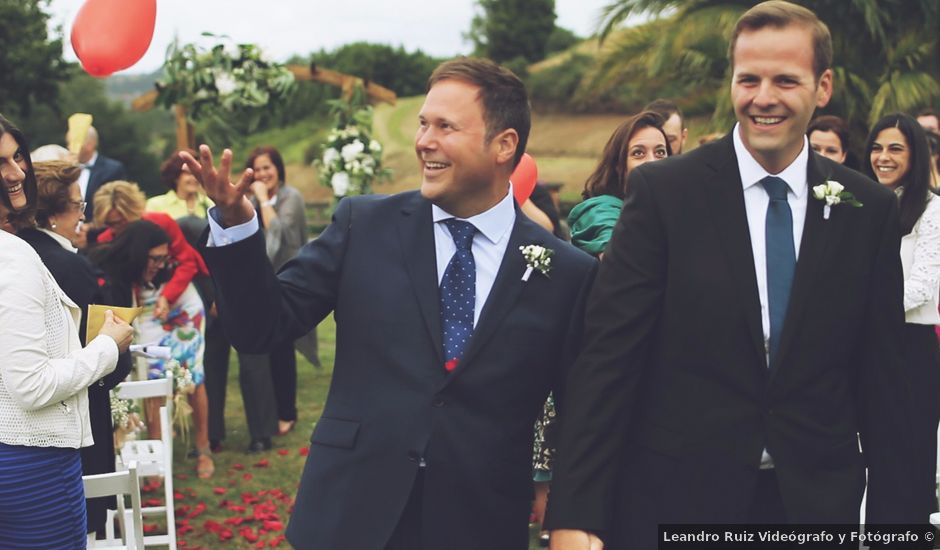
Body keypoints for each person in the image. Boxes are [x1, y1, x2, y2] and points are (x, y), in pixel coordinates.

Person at [183, 57, 596, 550]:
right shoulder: (364, 225)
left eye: (445, 126)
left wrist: (573, 517)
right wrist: (235, 227)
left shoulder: (566, 272)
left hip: (479, 520)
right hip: (351, 515)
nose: (423, 141)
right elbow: (260, 329)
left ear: (504, 144)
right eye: (423, 123)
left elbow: (584, 419)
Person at [546, 3, 917, 549]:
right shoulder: (665, 195)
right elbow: (608, 358)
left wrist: (898, 530)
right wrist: (575, 514)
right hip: (677, 503)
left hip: (813, 508)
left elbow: (887, 383)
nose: (763, 97)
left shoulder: (868, 209)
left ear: (824, 86)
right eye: (749, 79)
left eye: (785, 80)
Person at [0, 114, 133, 547]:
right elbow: (32, 386)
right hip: (32, 461)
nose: (18, 173)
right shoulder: (13, 257)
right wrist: (107, 348)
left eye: (18, 157)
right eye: (1, 163)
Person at [92, 180, 214, 477]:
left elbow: (187, 263)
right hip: (144, 308)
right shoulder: (110, 240)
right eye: (111, 224)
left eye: (122, 221)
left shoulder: (161, 224)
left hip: (180, 303)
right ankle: (159, 459)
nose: (117, 228)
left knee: (192, 377)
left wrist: (167, 295)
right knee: (153, 377)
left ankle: (203, 448)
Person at [863, 113, 940, 523]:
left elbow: (921, 286)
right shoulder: (861, 203)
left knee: (909, 464)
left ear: (916, 154)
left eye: (895, 148)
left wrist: (859, 307)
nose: (883, 157)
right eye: (877, 147)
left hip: (911, 350)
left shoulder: (932, 210)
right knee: (874, 462)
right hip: (866, 348)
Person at [246, 145, 308, 439]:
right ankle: (266, 413)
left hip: (286, 278)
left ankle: (287, 411)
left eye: (267, 168)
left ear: (278, 169)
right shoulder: (246, 200)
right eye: (257, 170)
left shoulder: (290, 197)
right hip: (257, 282)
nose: (262, 174)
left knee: (283, 348)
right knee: (262, 350)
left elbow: (279, 233)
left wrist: (262, 200)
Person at [567, 111, 670, 257]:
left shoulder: (667, 210)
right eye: (638, 153)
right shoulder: (601, 211)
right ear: (619, 165)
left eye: (660, 152)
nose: (652, 161)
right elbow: (618, 262)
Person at [67, 125, 127, 231]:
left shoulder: (112, 170)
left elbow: (115, 208)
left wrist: (91, 228)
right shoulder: (65, 168)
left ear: (89, 145)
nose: (69, 148)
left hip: (96, 236)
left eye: (72, 143)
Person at [146, 149, 213, 219]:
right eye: (189, 173)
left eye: (197, 174)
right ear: (175, 176)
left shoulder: (210, 205)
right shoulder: (156, 206)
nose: (194, 178)